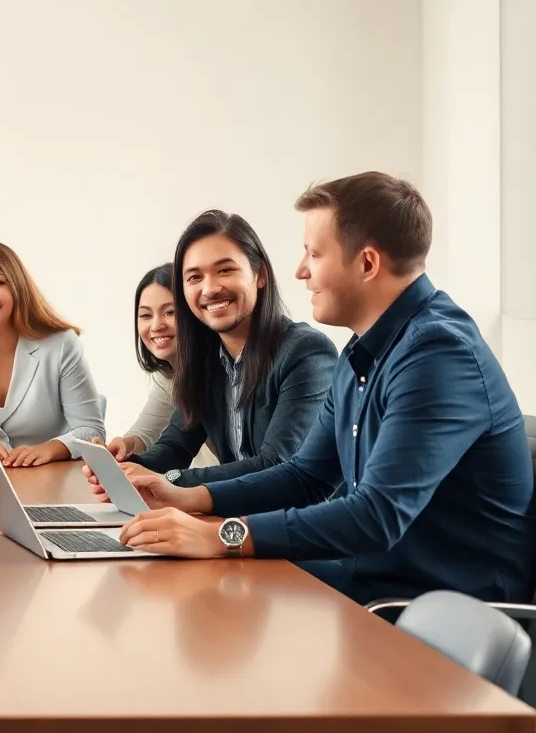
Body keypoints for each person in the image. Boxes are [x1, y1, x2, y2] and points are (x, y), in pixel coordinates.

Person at [113, 172, 534, 606]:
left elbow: (377, 515)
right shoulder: (362, 351)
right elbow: (306, 476)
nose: (300, 271)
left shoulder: (438, 354)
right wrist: (188, 497)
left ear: (367, 263)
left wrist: (223, 535)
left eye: (314, 254)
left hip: (440, 608)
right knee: (189, 581)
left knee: (218, 593)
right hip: (371, 577)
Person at [86, 210, 336, 491]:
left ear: (260, 275)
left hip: (294, 516)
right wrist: (122, 470)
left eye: (225, 270)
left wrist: (167, 480)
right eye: (194, 277)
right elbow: (175, 446)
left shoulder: (305, 352)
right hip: (234, 512)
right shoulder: (206, 359)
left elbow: (275, 464)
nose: (210, 289)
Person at [0, 241, 105, 467]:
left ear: (18, 287)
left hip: (51, 479)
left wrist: (49, 449)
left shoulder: (61, 343)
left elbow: (91, 430)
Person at [105, 263, 217, 466]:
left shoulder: (220, 371)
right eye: (146, 315)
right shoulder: (169, 375)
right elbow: (147, 432)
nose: (156, 326)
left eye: (170, 312)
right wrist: (125, 446)